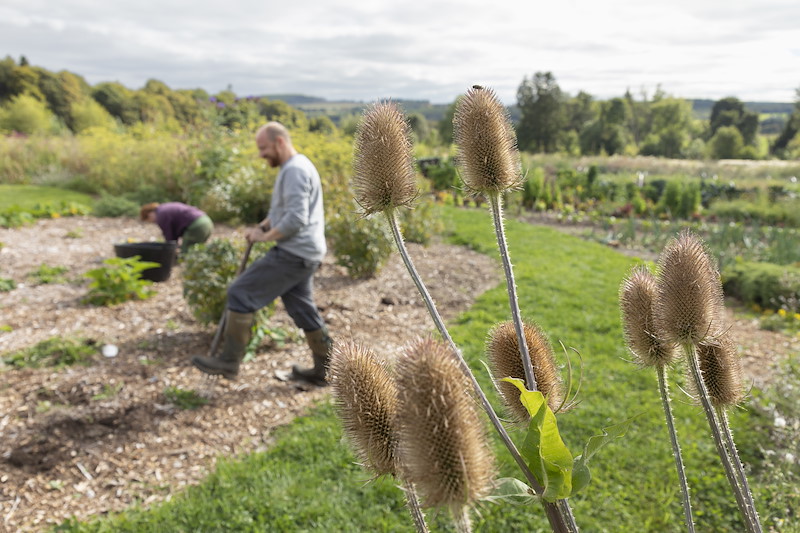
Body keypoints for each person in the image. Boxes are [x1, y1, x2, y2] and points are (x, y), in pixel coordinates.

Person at [191, 121, 332, 386]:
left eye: (263, 148)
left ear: (279, 142)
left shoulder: (295, 170)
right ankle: (325, 370)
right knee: (302, 309)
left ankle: (229, 362)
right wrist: (263, 226)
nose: (261, 154)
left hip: (294, 253)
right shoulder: (293, 167)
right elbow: (282, 212)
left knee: (240, 292)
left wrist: (264, 237)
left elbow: (295, 219)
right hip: (306, 252)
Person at [140, 202, 213, 255]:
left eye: (149, 220)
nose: (153, 222)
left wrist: (169, 251)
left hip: (197, 225)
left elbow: (170, 237)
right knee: (198, 250)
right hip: (207, 221)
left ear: (149, 214)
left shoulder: (161, 215)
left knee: (185, 254)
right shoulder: (164, 208)